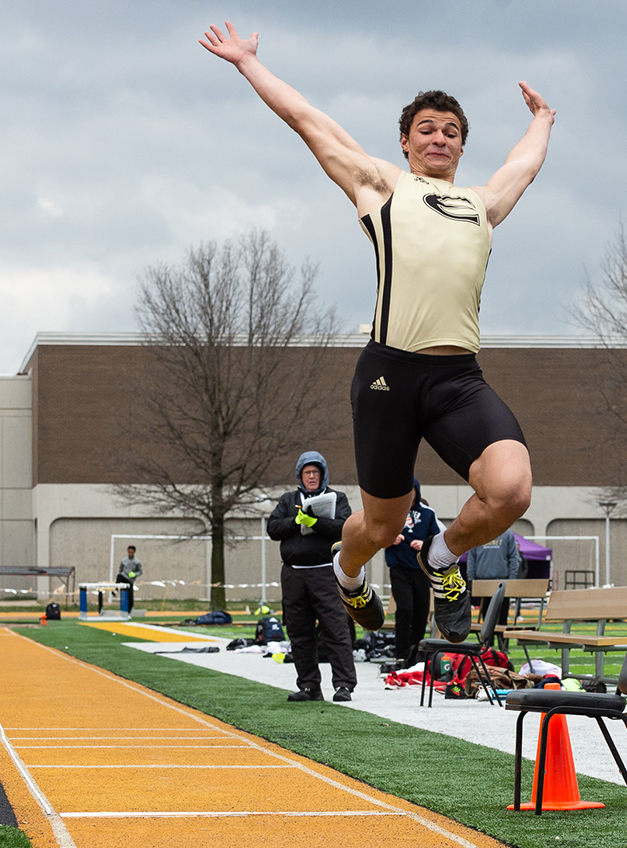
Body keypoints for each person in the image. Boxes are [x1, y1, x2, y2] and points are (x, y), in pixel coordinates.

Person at [202, 23, 554, 647]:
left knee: (512, 490)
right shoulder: (382, 186)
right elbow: (308, 120)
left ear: (462, 147)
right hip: (390, 376)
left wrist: (544, 119)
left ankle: (443, 558)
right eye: (427, 128)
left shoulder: (482, 204)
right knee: (383, 526)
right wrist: (247, 63)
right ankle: (347, 571)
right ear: (406, 141)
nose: (439, 137)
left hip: (458, 378)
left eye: (451, 131)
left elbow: (523, 165)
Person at [265, 452, 357, 702]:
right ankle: (309, 686)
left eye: (316, 472)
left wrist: (315, 522)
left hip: (324, 573)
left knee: (335, 629)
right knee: (299, 631)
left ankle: (344, 684)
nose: (312, 476)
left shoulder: (337, 498)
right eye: (307, 472)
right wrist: (296, 522)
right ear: (300, 476)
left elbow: (344, 527)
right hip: (294, 576)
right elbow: (273, 528)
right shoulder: (288, 500)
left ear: (323, 474)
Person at [385, 478, 441, 668]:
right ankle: (400, 655)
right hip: (399, 567)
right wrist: (389, 538)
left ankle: (415, 653)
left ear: (417, 492)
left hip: (420, 569)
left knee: (421, 612)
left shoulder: (427, 514)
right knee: (405, 608)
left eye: (411, 491)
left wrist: (424, 544)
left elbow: (436, 538)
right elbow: (377, 535)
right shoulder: (391, 512)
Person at [116, 545, 143, 614]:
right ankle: (116, 590)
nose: (130, 553)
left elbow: (140, 572)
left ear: (134, 552)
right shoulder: (124, 560)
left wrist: (134, 574)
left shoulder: (137, 562)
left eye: (132, 552)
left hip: (130, 580)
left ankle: (130, 611)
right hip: (123, 578)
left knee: (130, 596)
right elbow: (120, 570)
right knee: (119, 577)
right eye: (129, 552)